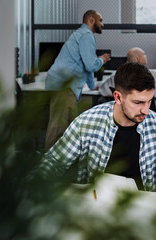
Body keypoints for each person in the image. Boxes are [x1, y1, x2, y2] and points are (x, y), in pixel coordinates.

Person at [36, 62, 156, 199]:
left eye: (149, 101)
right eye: (138, 102)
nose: (146, 110)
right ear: (118, 97)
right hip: (95, 209)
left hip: (144, 208)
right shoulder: (86, 123)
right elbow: (53, 162)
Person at [44, 10, 111, 151]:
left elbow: (85, 66)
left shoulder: (82, 35)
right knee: (58, 128)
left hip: (64, 85)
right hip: (64, 86)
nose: (103, 24)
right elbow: (91, 65)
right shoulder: (86, 36)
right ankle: (48, 167)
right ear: (91, 20)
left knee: (70, 127)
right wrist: (102, 60)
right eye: (101, 20)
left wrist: (92, 86)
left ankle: (66, 164)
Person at [99, 47, 156, 113]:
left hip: (124, 115)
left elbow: (103, 91)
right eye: (144, 54)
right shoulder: (151, 75)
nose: (146, 56)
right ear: (138, 59)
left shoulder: (117, 75)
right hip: (147, 115)